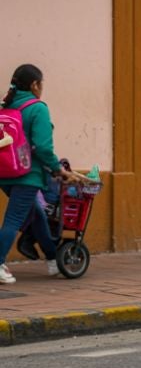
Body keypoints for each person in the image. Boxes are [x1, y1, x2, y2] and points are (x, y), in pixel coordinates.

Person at [0, 65, 68, 284]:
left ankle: (52, 259)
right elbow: (43, 147)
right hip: (27, 175)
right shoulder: (38, 108)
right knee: (13, 220)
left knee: (37, 214)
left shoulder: (7, 105)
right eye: (41, 83)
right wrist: (57, 169)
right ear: (34, 85)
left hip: (5, 173)